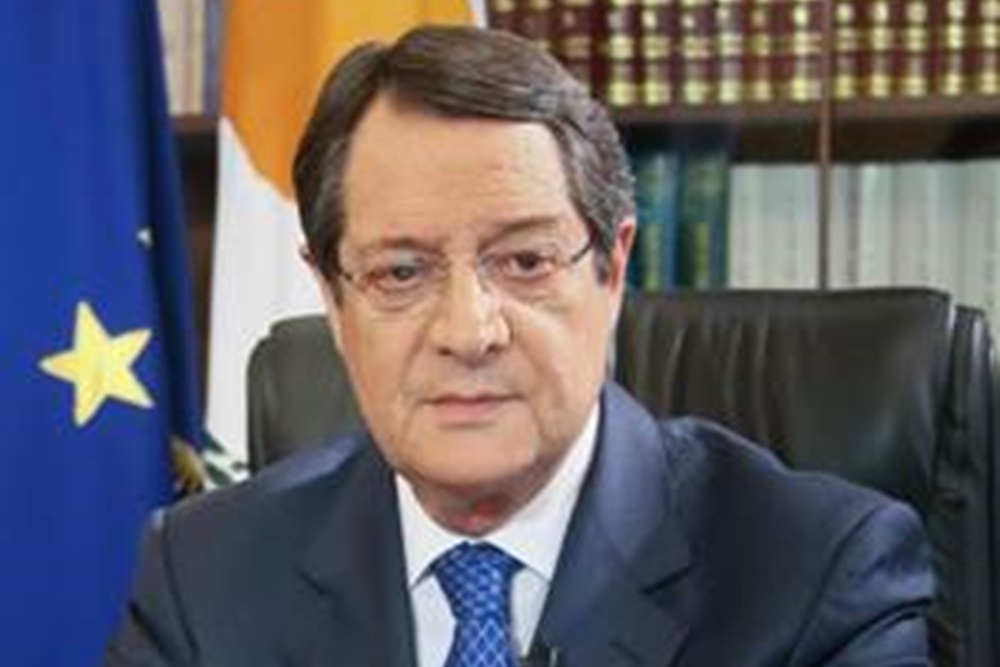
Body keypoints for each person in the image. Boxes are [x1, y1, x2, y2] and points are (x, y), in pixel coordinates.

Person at [105, 25, 933, 666]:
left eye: (525, 262)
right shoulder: (204, 577)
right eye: (401, 272)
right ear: (332, 296)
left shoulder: (817, 575)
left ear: (613, 268)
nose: (468, 332)